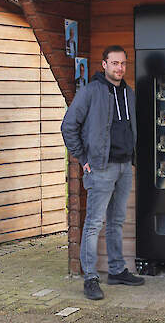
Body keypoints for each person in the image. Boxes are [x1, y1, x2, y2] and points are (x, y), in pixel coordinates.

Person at [61, 45, 145, 300]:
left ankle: (117, 270)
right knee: (94, 224)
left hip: (123, 167)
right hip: (100, 167)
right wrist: (84, 159)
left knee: (117, 221)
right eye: (115, 63)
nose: (120, 68)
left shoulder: (128, 93)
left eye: (123, 64)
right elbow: (68, 126)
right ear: (104, 64)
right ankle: (90, 278)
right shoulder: (90, 92)